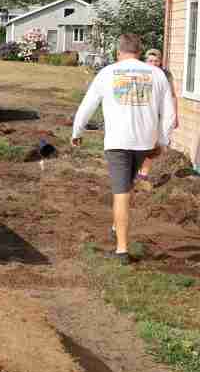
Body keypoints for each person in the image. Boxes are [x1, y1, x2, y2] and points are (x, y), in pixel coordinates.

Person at [72, 34, 175, 264]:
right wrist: (163, 142)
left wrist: (77, 132)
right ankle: (116, 225)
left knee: (121, 193)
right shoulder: (157, 74)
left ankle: (121, 250)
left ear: (119, 52)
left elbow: (87, 104)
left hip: (118, 141)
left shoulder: (108, 72)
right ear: (139, 51)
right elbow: (169, 113)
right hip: (144, 142)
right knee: (127, 187)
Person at [135, 48, 179, 190]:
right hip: (142, 113)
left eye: (156, 61)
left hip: (160, 115)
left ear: (160, 62)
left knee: (153, 146)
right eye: (150, 61)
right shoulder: (140, 73)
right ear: (145, 61)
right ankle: (136, 174)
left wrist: (175, 116)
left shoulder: (166, 75)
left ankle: (142, 176)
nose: (153, 63)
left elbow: (172, 96)